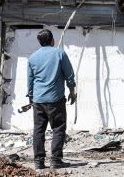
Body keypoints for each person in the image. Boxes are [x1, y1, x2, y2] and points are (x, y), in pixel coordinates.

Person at [27, 28, 77, 170]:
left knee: (38, 131)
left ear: (39, 42)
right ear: (52, 40)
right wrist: (72, 91)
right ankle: (55, 161)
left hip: (38, 100)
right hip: (55, 99)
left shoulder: (32, 58)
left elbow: (30, 80)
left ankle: (39, 162)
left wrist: (31, 98)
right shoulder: (59, 53)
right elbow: (69, 75)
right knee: (59, 128)